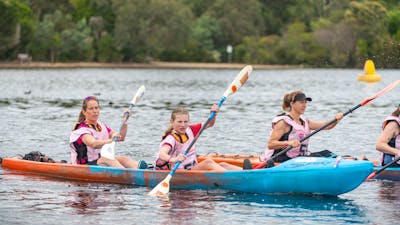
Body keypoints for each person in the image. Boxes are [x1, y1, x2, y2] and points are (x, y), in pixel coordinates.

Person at [259, 90, 343, 164]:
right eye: (301, 102)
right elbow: (271, 144)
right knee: (317, 156)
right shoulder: (283, 122)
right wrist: (288, 143)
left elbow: (326, 126)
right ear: (292, 104)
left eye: (305, 102)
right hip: (281, 159)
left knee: (327, 153)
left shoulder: (305, 121)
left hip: (299, 158)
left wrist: (336, 119)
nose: (304, 105)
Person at [155, 105, 242, 171]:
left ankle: (247, 172)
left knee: (223, 164)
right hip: (181, 172)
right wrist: (175, 159)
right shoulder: (171, 138)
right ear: (171, 122)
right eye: (179, 122)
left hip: (193, 168)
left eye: (186, 121)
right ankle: (236, 177)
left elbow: (209, 123)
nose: (183, 125)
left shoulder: (191, 130)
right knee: (208, 162)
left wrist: (213, 114)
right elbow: (162, 154)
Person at [69, 96, 147, 168]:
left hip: (99, 163)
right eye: (91, 109)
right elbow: (93, 144)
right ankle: (129, 174)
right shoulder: (81, 130)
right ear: (84, 112)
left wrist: (125, 121)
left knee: (123, 159)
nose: (95, 111)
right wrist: (110, 140)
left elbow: (121, 137)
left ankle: (143, 170)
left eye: (96, 108)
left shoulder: (102, 126)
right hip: (84, 166)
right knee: (106, 159)